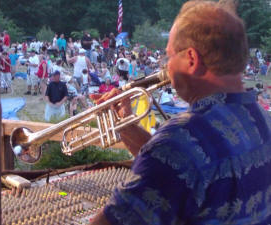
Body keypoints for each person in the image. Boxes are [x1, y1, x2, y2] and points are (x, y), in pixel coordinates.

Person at [90, 0, 271, 224]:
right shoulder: (263, 120)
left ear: (192, 59)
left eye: (168, 57)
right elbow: (186, 173)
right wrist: (127, 128)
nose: (165, 68)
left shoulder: (177, 142)